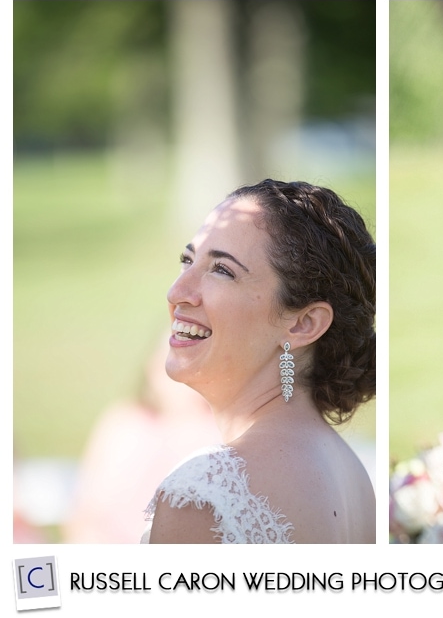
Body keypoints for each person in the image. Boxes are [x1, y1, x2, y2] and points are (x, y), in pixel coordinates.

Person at [145, 179, 376, 544]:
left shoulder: (203, 494)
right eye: (187, 260)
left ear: (303, 323)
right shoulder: (353, 476)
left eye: (222, 270)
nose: (177, 293)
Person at [63, 334, 220, 543]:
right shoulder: (125, 423)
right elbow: (87, 512)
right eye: (171, 354)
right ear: (151, 367)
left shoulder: (218, 432)